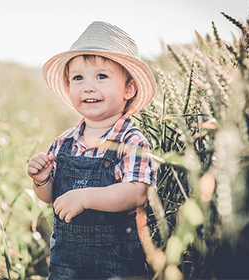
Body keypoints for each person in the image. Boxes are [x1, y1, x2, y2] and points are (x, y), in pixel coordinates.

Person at [27, 21, 158, 279]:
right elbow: (52, 198)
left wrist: (85, 198)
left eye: (101, 76)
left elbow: (137, 193)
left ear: (128, 89)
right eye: (78, 78)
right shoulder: (63, 142)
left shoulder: (132, 141)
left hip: (116, 264)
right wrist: (42, 181)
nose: (88, 86)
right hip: (65, 262)